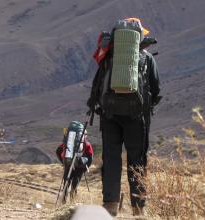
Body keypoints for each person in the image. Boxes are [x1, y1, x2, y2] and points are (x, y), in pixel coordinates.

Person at [87, 18, 161, 216]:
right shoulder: (147, 59)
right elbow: (156, 89)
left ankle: (110, 207)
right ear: (139, 38)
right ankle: (138, 209)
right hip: (137, 118)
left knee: (111, 159)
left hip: (110, 115)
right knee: (137, 161)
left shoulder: (109, 58)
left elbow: (97, 86)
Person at [56, 129, 93, 201]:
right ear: (85, 136)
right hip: (80, 167)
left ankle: (63, 202)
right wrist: (85, 167)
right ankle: (73, 201)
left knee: (66, 183)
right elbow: (90, 157)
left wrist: (64, 162)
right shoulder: (87, 144)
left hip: (68, 165)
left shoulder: (68, 143)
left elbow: (58, 150)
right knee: (75, 184)